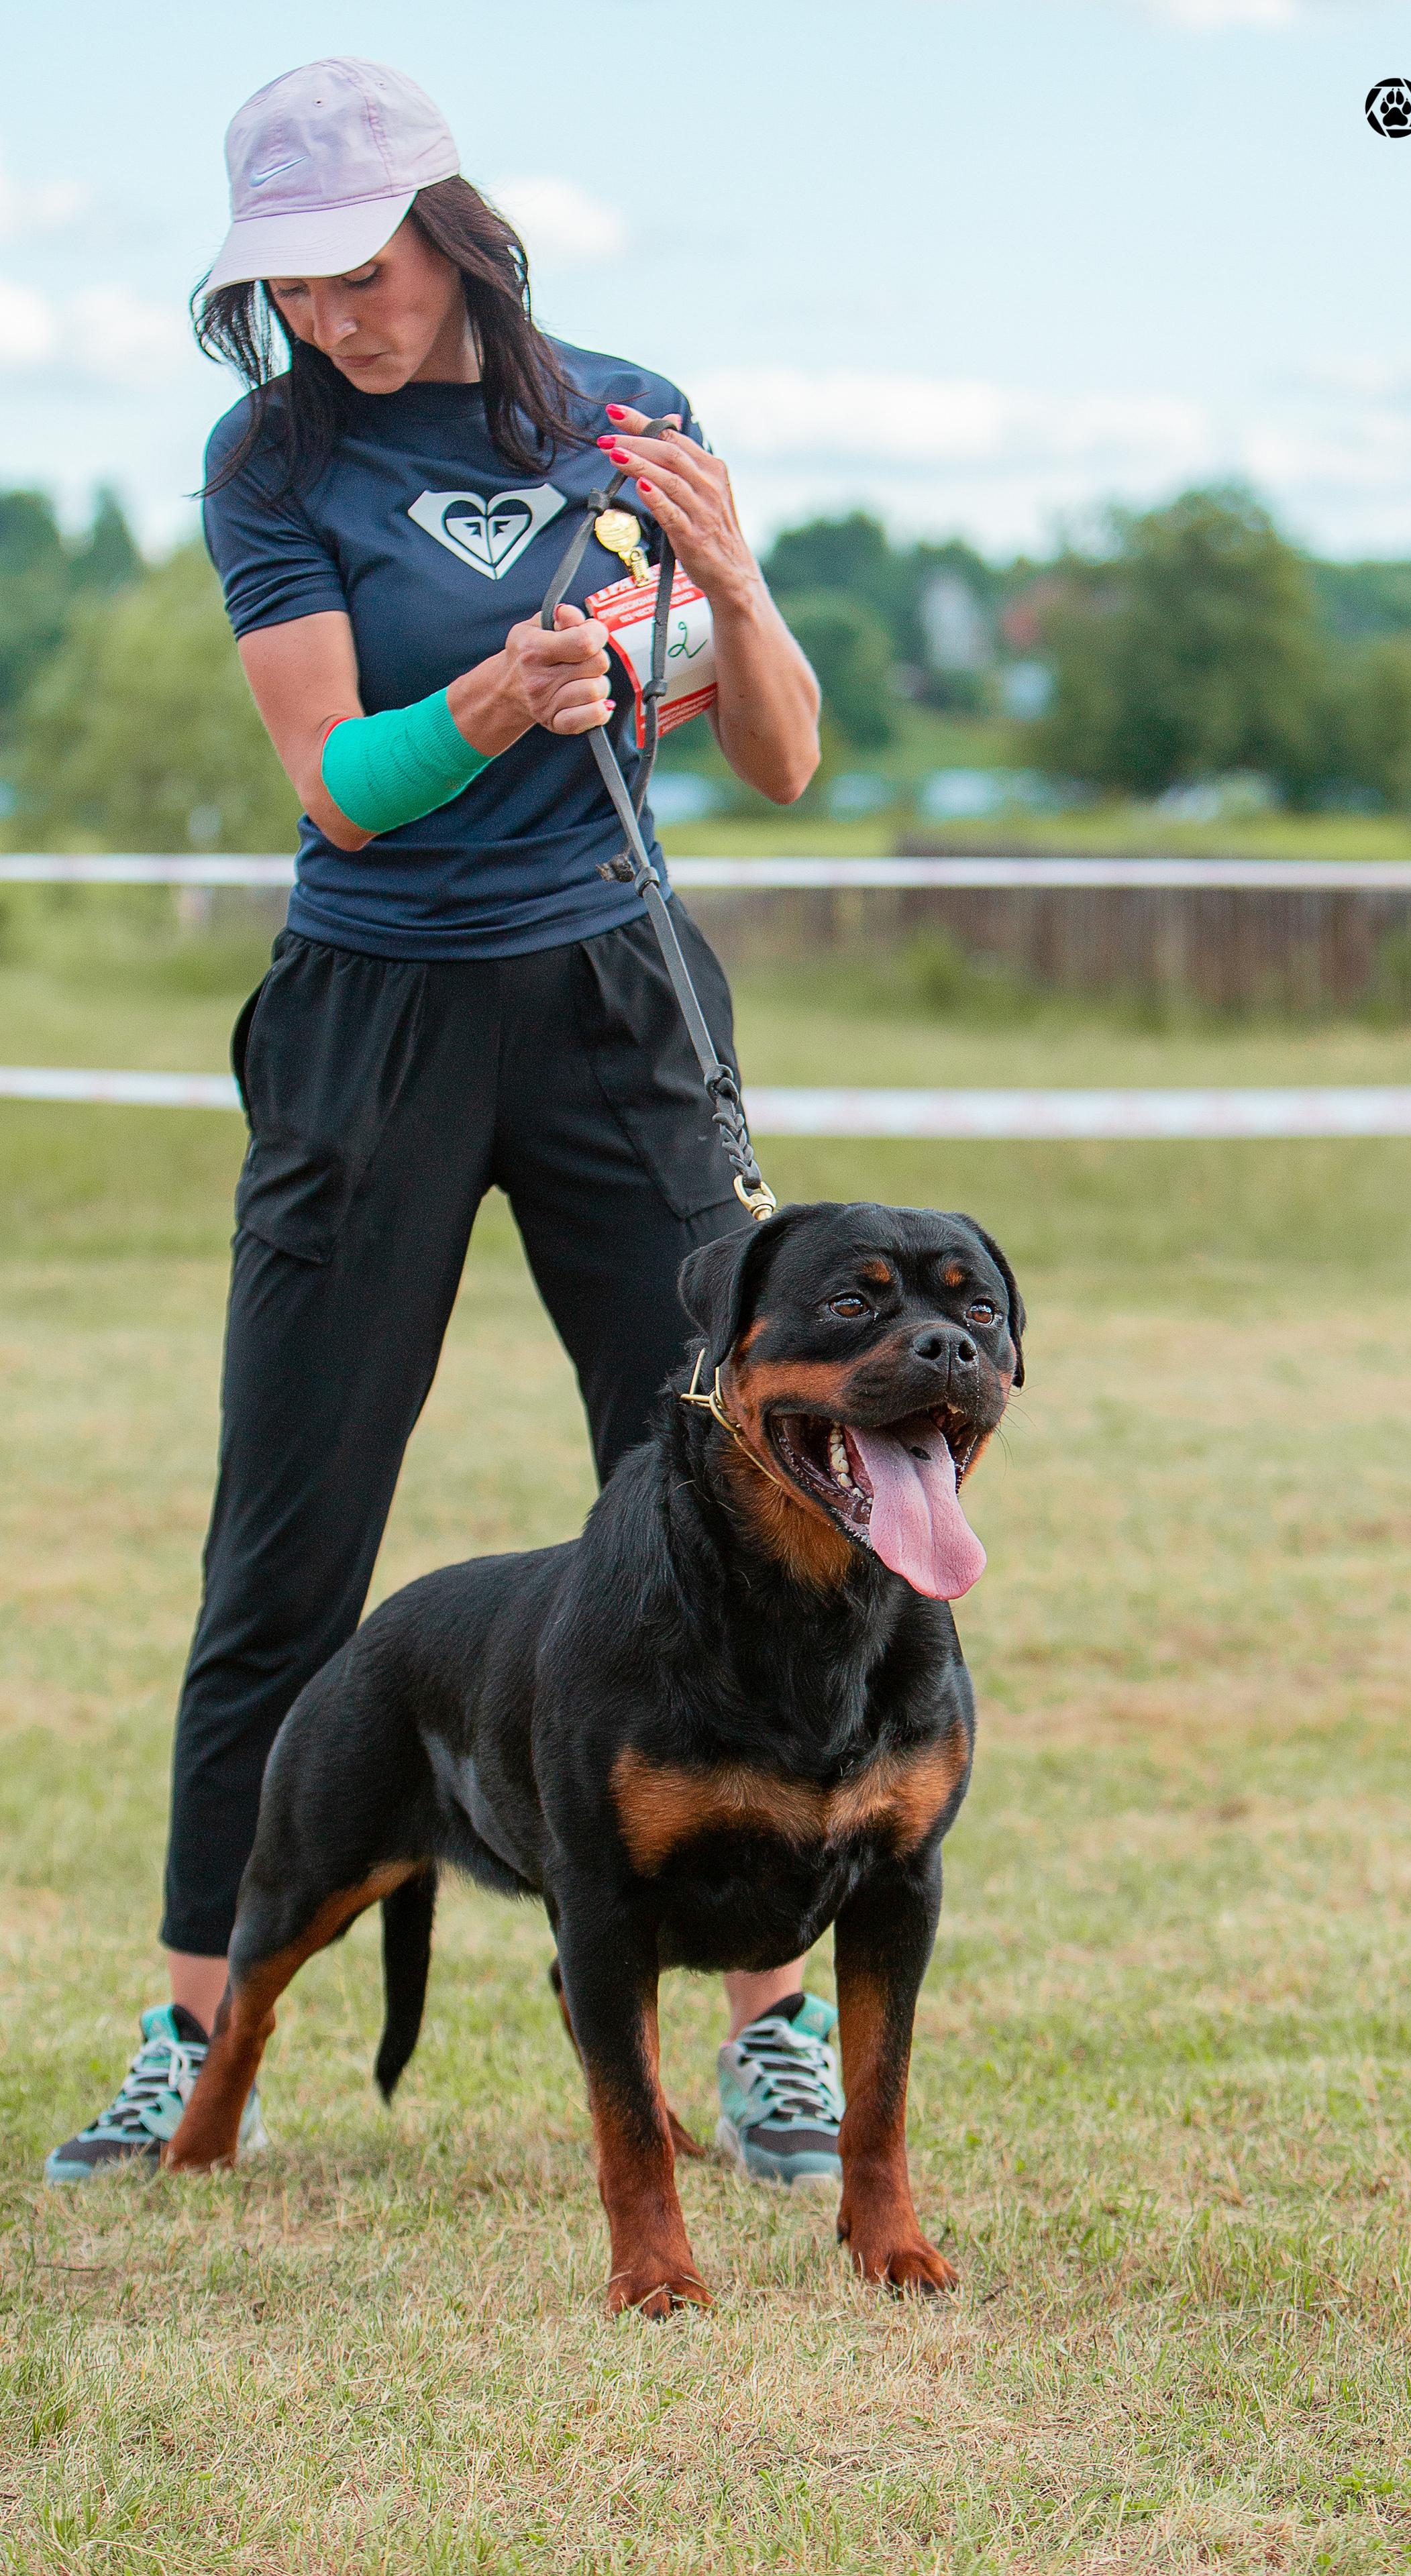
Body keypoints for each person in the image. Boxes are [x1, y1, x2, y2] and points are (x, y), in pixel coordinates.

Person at [46, 57, 845, 2193]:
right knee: (286, 1539)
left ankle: (771, 2033)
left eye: (358, 266)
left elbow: (777, 755)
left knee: (731, 1503)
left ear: (449, 227)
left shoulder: (626, 410)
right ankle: (195, 2012)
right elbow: (341, 784)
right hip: (369, 1019)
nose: (330, 311)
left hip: (614, 1004)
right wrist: (506, 687)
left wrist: (728, 588)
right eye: (287, 282)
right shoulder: (267, 457)